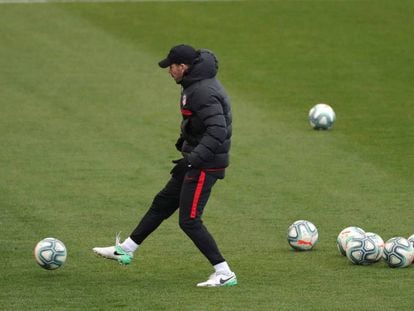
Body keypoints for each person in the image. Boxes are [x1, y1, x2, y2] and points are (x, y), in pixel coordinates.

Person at [93, 44, 236, 287]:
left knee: (189, 220)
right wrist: (186, 139)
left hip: (204, 165)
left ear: (183, 67)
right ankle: (126, 250)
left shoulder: (201, 90)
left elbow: (218, 130)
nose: (169, 71)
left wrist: (191, 160)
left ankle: (224, 273)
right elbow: (200, 122)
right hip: (196, 159)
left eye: (171, 66)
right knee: (162, 203)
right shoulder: (195, 84)